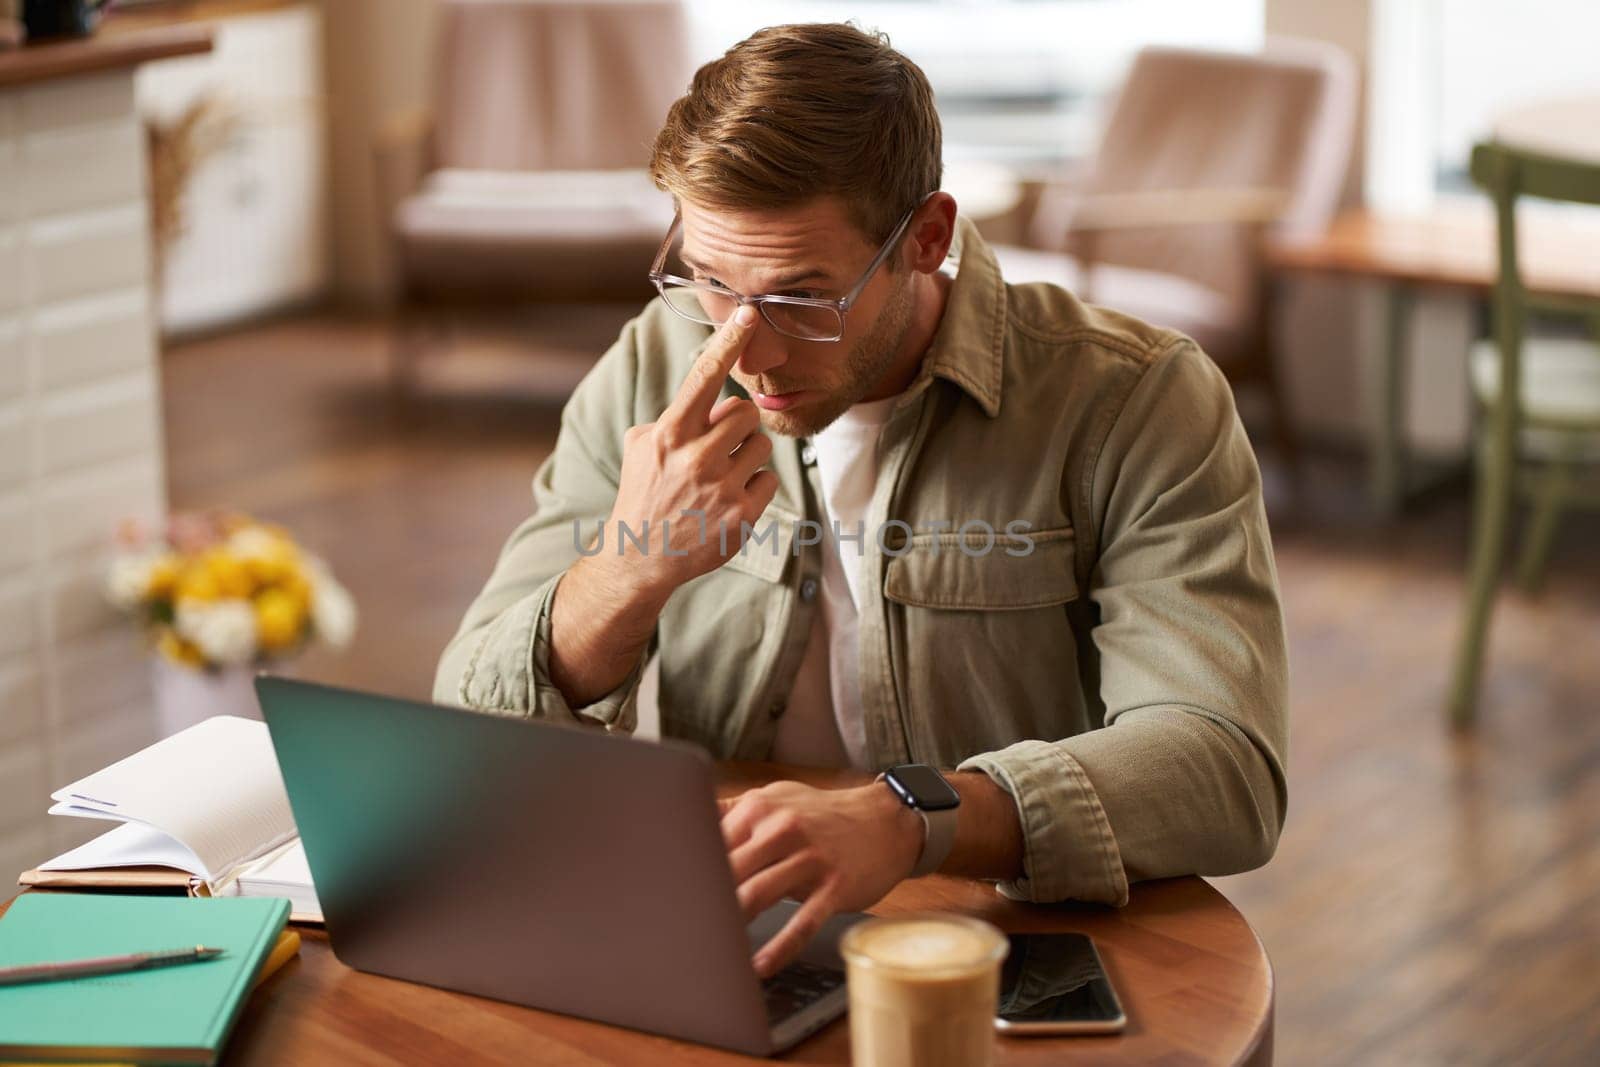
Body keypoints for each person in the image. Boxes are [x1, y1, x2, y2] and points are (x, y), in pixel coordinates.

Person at [435, 22, 1288, 979]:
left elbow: (1226, 767)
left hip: (1009, 949)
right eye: (711, 282)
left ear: (927, 237)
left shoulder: (1138, 400)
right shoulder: (648, 370)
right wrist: (629, 567)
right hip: (738, 938)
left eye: (804, 299)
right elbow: (469, 732)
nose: (746, 354)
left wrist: (908, 815)